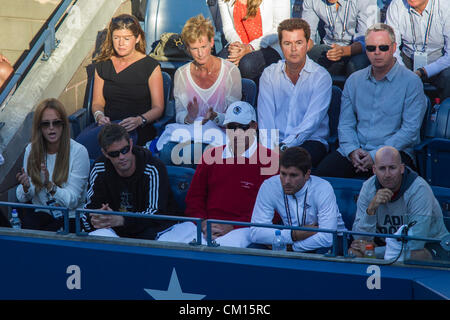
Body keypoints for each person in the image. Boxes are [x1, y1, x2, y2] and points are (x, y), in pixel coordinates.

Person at [157, 101, 278, 247]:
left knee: (224, 251)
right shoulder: (211, 155)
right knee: (165, 242)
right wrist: (202, 223)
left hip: (245, 229)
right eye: (232, 127)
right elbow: (195, 198)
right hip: (206, 226)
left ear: (254, 127)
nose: (237, 132)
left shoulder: (270, 160)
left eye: (243, 127)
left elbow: (272, 211)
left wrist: (233, 226)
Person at [316, 23, 427, 178]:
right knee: (320, 178)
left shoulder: (411, 82)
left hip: (394, 153)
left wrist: (375, 155)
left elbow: (410, 131)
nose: (377, 53)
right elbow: (346, 124)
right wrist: (352, 151)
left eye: (383, 48)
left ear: (394, 48)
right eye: (371, 48)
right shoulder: (354, 80)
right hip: (356, 151)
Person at [156, 14, 242, 167]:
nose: (200, 53)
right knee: (166, 152)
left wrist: (215, 117)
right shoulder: (181, 74)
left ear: (211, 43)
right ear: (188, 49)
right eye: (195, 48)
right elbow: (180, 114)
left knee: (197, 154)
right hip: (190, 132)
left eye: (203, 46)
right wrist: (189, 116)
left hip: (218, 134)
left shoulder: (230, 71)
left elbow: (233, 117)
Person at [78, 13, 164, 151]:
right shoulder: (102, 65)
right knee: (79, 148)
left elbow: (158, 108)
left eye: (126, 38)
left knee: (119, 149)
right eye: (116, 38)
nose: (121, 43)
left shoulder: (151, 66)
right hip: (108, 128)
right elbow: (97, 103)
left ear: (137, 39)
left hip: (136, 128)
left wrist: (139, 120)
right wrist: (99, 116)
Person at [350, 146, 449, 261]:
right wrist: (371, 209)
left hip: (429, 244)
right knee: (353, 253)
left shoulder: (419, 189)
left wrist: (375, 251)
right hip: (387, 244)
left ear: (402, 168)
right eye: (382, 169)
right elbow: (359, 238)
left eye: (392, 168)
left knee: (414, 257)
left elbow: (415, 243)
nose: (387, 174)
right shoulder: (368, 188)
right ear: (374, 170)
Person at [257, 18, 332, 167]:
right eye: (287, 43)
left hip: (310, 141)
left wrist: (284, 148)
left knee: (292, 164)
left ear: (308, 44)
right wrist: (271, 150)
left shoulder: (321, 77)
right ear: (280, 45)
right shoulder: (269, 74)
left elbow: (311, 122)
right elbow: (266, 119)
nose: (293, 49)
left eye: (298, 43)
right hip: (274, 142)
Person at [84, 123, 178, 239]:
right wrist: (97, 217)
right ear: (104, 153)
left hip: (152, 234)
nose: (121, 157)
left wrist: (121, 219)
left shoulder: (153, 167)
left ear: (131, 143)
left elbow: (156, 214)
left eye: (125, 150)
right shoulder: (99, 168)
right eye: (114, 154)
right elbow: (89, 209)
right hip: (112, 231)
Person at [250, 147, 347, 253]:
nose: (286, 181)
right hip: (290, 237)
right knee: (253, 249)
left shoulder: (323, 188)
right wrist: (293, 235)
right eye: (283, 174)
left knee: (323, 252)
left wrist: (293, 248)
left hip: (334, 238)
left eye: (293, 175)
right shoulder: (269, 185)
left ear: (307, 175)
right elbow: (256, 232)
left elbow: (327, 237)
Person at [15, 98, 90, 231]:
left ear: (63, 125)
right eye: (45, 124)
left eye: (56, 123)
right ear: (39, 127)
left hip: (70, 218)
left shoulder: (79, 152)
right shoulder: (31, 150)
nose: (51, 128)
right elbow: (23, 197)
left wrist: (49, 185)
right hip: (41, 215)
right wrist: (26, 187)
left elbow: (72, 201)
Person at [386, 0, 450, 100]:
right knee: (386, 66)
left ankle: (442, 111)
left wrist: (424, 71)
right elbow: (391, 48)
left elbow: (449, 55)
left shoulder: (445, 6)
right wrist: (403, 72)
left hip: (439, 62)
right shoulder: (397, 5)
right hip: (407, 59)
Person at [217, 0, 290, 84]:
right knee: (221, 64)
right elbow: (228, 28)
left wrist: (250, 47)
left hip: (270, 46)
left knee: (247, 65)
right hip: (239, 44)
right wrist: (238, 47)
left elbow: (280, 28)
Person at [302, 0, 376, 76]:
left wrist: (344, 51)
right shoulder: (311, 1)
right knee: (305, 58)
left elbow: (368, 41)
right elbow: (307, 36)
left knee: (357, 65)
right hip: (329, 48)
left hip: (357, 51)